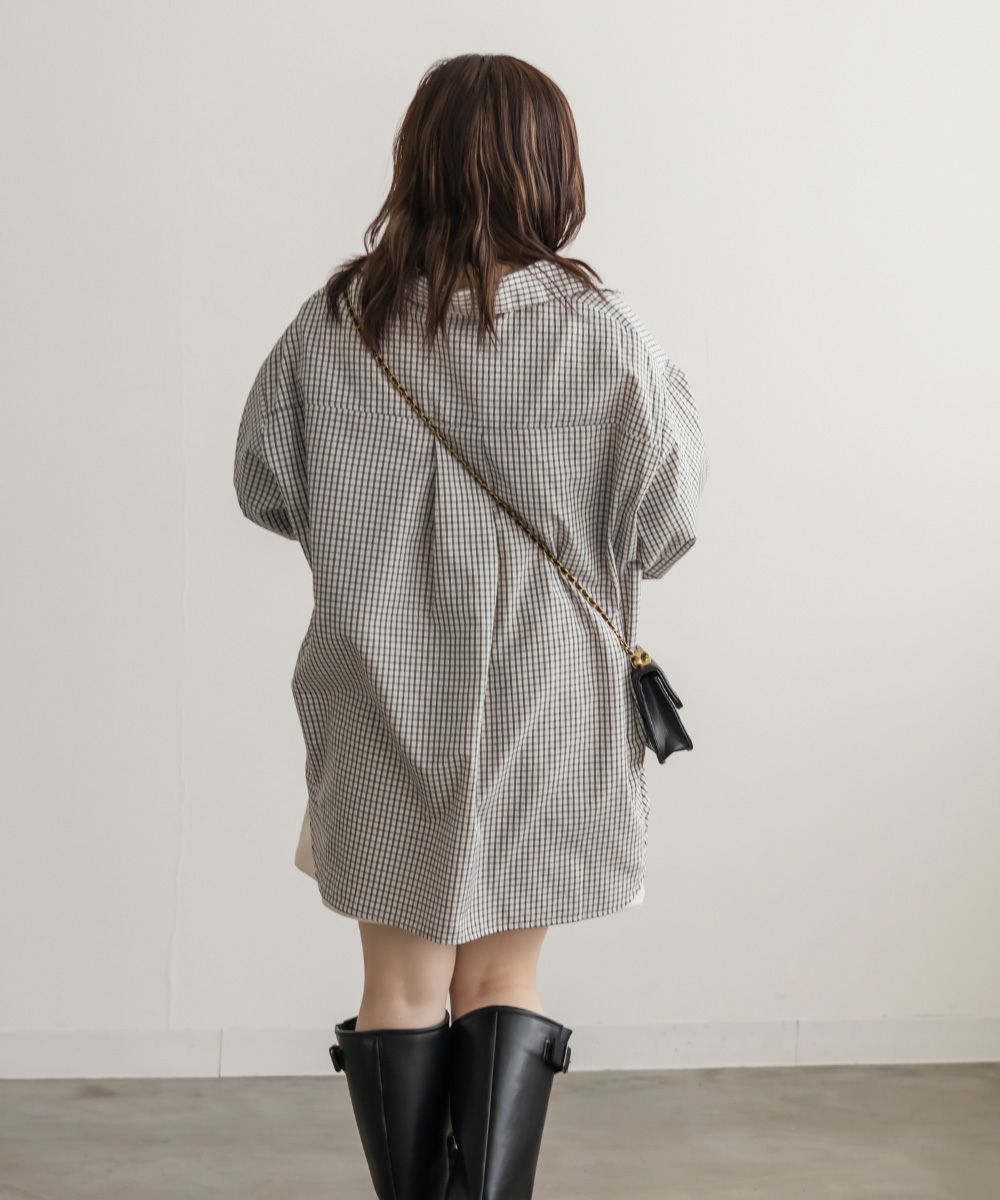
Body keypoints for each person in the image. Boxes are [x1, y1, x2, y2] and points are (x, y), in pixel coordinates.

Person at [233, 52, 708, 1200]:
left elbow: (262, 486)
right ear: (554, 171)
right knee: (502, 982)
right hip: (548, 708)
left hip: (377, 697)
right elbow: (668, 526)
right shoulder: (601, 334)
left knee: (399, 986)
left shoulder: (333, 325)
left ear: (416, 162)